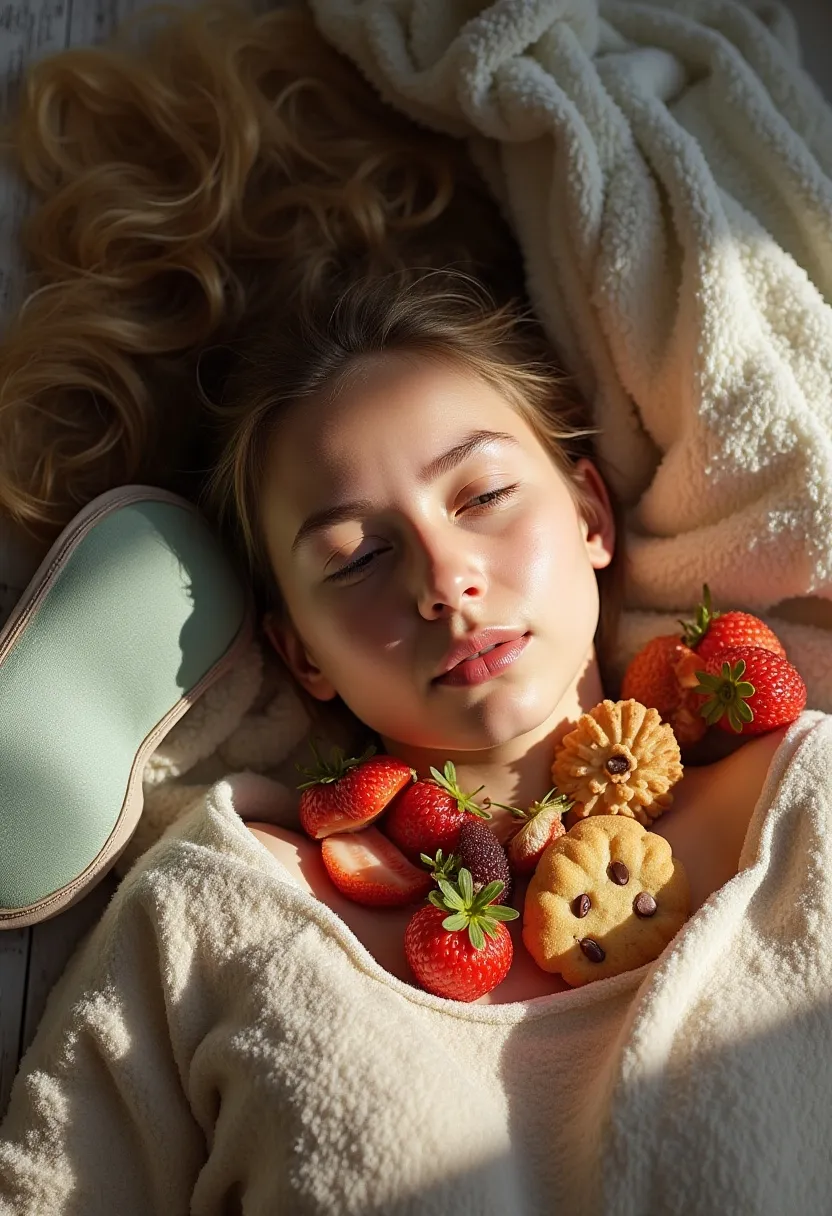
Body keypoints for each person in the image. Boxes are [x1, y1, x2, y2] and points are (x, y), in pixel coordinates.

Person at [0, 3, 820, 1212]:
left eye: (482, 493)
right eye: (354, 557)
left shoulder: (805, 811)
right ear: (301, 655)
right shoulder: (224, 916)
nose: (444, 579)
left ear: (592, 515)